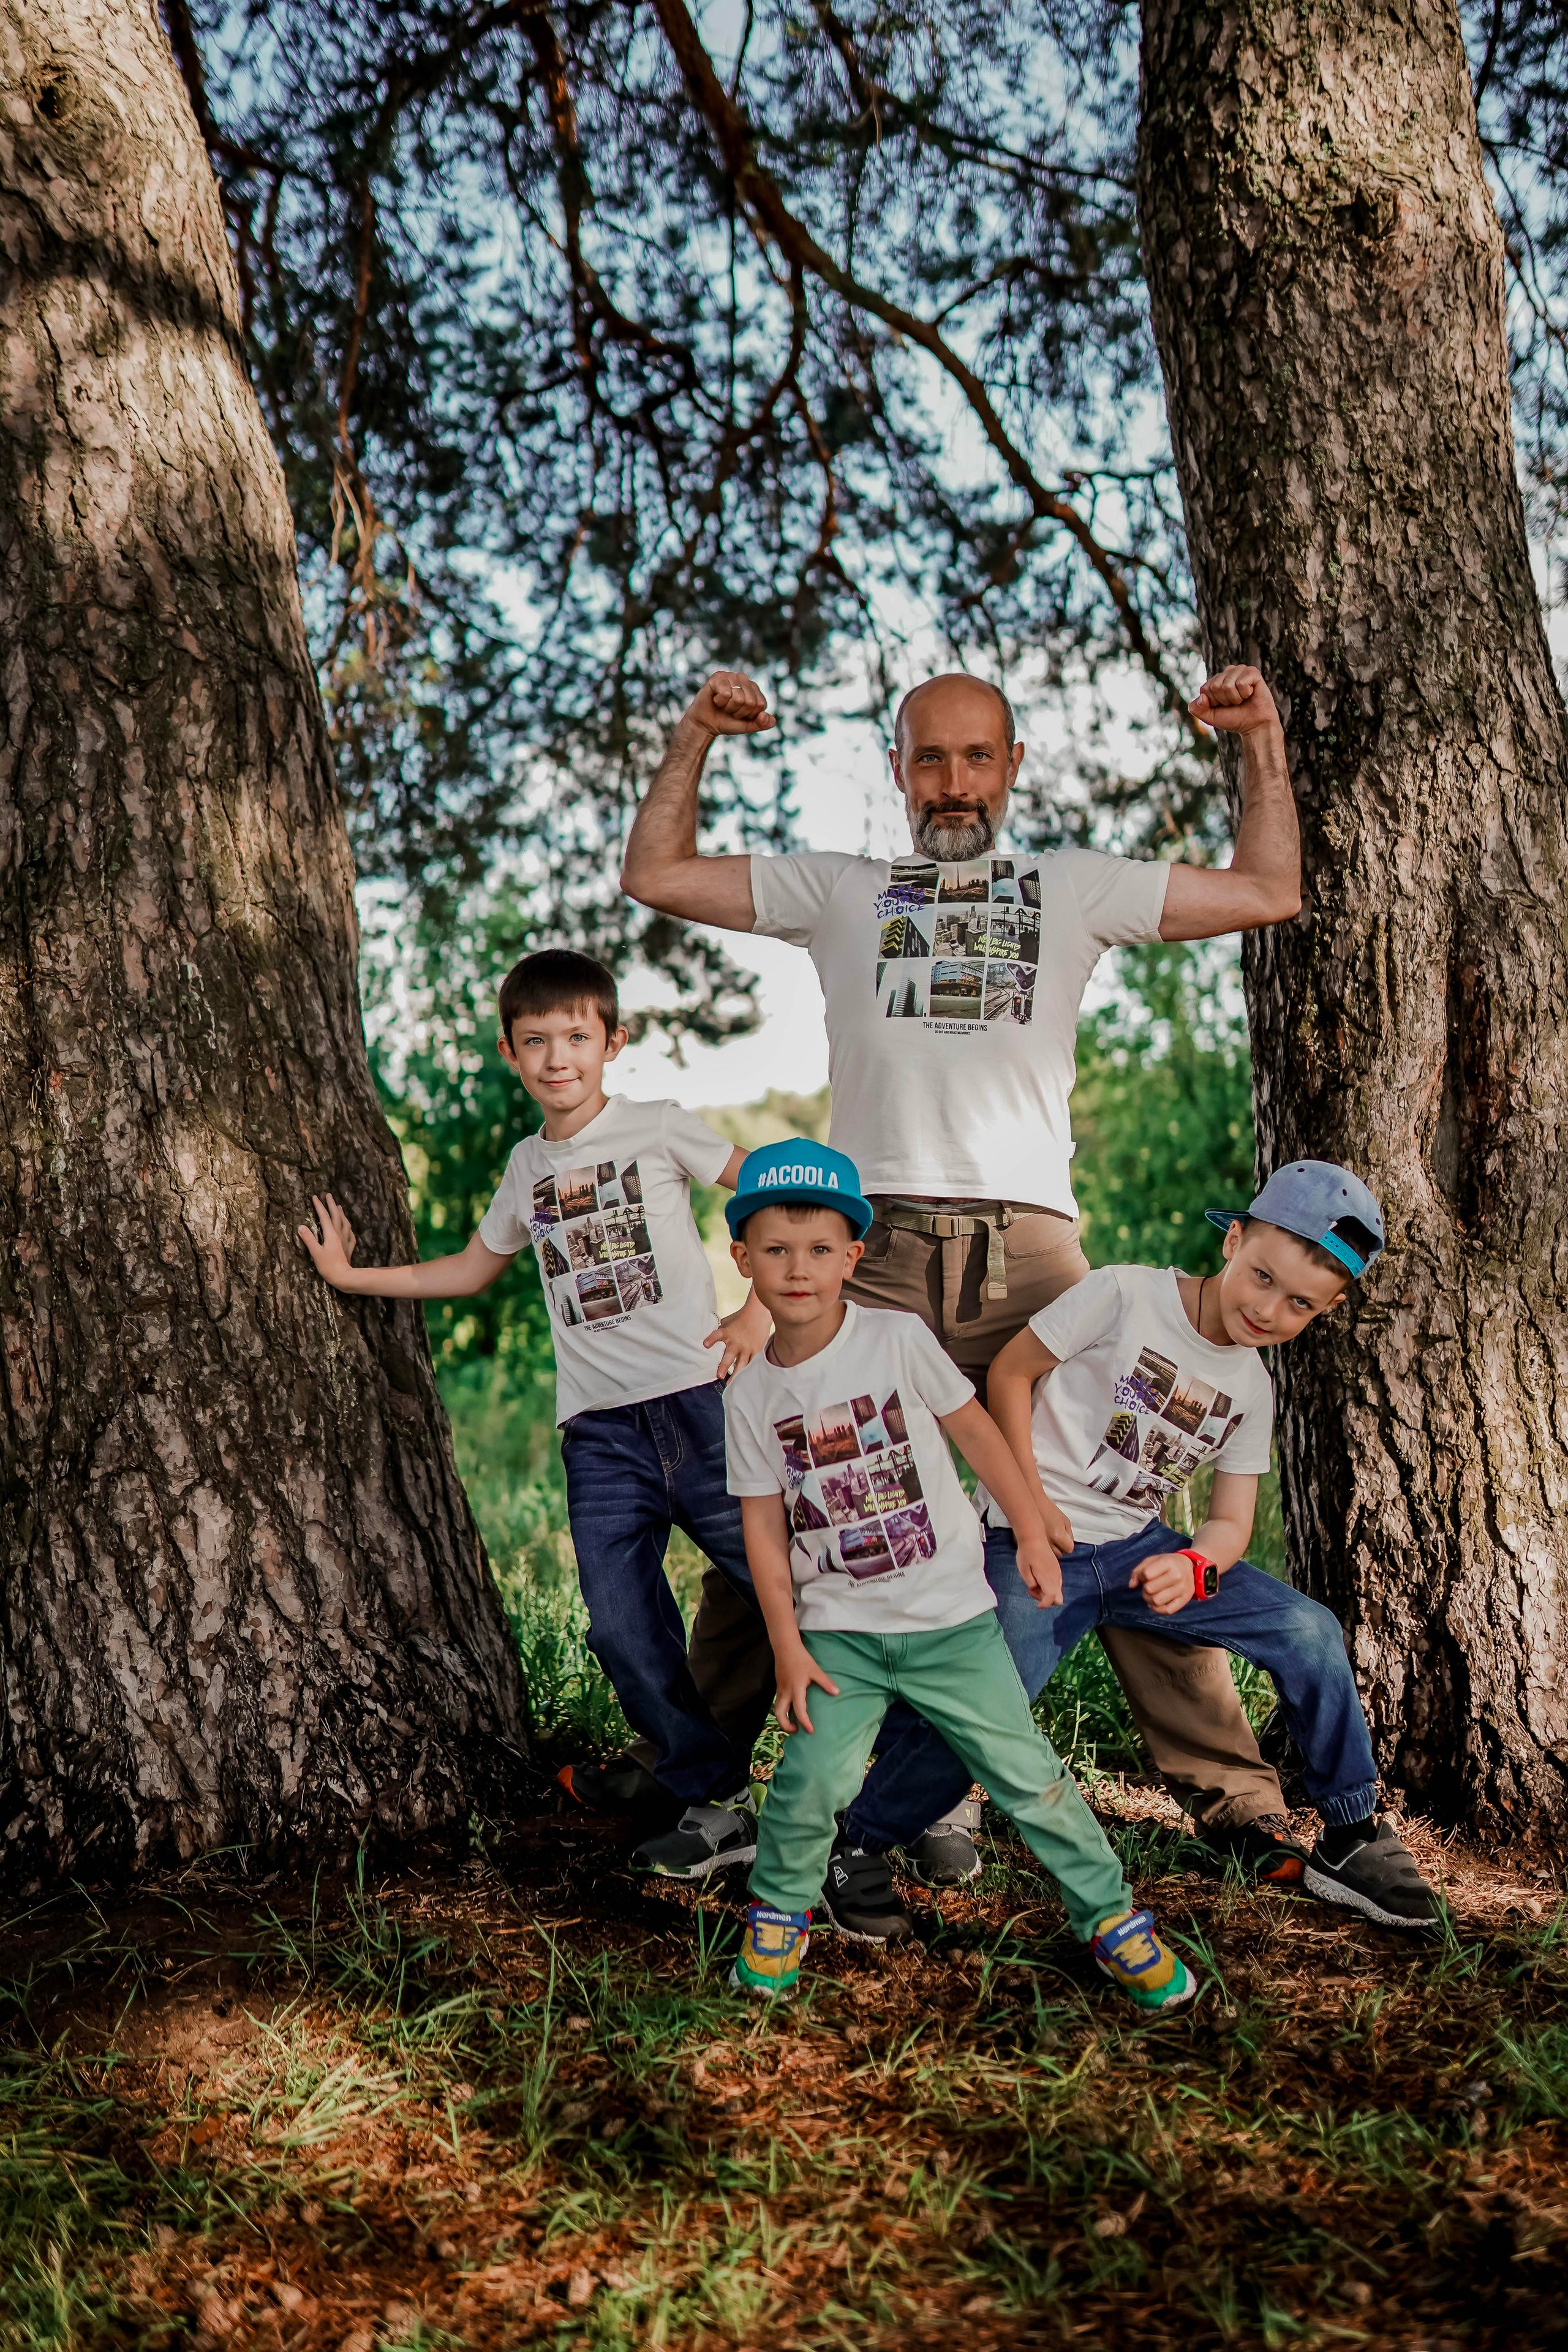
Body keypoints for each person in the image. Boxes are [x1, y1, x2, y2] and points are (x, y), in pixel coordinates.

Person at [621, 661, 1305, 1934]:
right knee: (795, 1481)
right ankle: (711, 1782)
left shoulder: (1072, 886)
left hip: (1029, 1247)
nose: (952, 782)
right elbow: (656, 874)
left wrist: (1258, 737)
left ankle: (1222, 1793)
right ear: (896, 768)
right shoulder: (842, 888)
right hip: (866, 1247)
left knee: (1109, 1497)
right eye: (928, 758)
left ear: (1012, 766)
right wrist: (696, 732)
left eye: (976, 756)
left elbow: (1269, 889)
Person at [850, 1161, 1442, 1929]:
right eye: (1262, 1277)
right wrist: (1028, 1511)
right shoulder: (1125, 1294)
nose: (1268, 1309)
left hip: (1137, 1550)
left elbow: (1230, 1522)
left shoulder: (1251, 1389)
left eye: (1299, 1303)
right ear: (1233, 1240)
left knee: (1309, 1629)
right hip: (1029, 1536)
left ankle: (1351, 1833)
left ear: (1325, 1309)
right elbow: (1012, 1374)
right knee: (991, 1697)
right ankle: (850, 1843)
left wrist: (1196, 1565)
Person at [297, 946, 775, 1860]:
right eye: (536, 1041)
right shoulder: (527, 1167)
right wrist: (352, 1277)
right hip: (599, 1434)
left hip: (702, 1407)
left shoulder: (658, 1127)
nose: (558, 1058)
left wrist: (759, 1309)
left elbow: (778, 1186)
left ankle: (884, 1773)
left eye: (576, 1037)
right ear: (510, 1053)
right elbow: (472, 1269)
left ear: (613, 1043)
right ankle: (710, 1791)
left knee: (787, 1585)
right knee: (620, 1625)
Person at [719, 1139, 1196, 2012]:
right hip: (838, 1635)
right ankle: (781, 1911)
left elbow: (977, 1433)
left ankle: (1111, 1918)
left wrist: (1033, 1533)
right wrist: (786, 1645)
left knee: (1031, 1777)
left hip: (953, 1624)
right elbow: (762, 1529)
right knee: (809, 1783)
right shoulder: (750, 1396)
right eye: (776, 1250)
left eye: (820, 1249)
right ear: (743, 1259)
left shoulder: (896, 1338)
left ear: (853, 1257)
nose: (798, 1269)